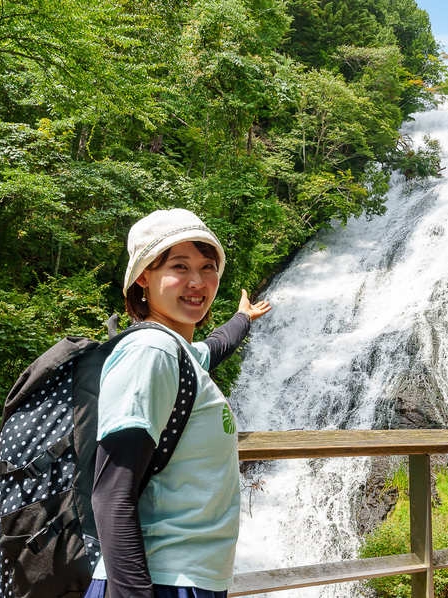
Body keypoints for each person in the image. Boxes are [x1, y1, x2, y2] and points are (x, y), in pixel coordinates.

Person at [87, 208, 272, 598]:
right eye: (179, 266)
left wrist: (243, 317)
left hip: (189, 579)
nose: (197, 282)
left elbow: (216, 346)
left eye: (208, 267)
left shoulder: (179, 354)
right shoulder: (151, 352)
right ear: (143, 277)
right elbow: (111, 493)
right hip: (156, 580)